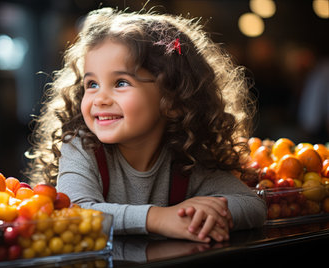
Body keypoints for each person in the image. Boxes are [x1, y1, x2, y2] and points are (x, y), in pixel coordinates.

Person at [27, 7, 266, 243]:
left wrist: (202, 216)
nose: (99, 98)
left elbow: (253, 205)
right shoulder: (81, 146)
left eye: (120, 83)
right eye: (91, 84)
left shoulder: (185, 157)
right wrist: (159, 218)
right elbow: (75, 214)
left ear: (173, 99)